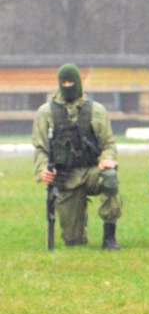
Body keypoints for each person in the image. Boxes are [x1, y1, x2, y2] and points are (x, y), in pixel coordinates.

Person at [31, 63, 121, 249]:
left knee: (110, 178)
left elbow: (108, 144)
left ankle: (109, 236)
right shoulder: (46, 113)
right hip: (66, 177)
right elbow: (41, 148)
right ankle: (78, 221)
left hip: (91, 171)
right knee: (74, 242)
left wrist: (107, 159)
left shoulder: (96, 111)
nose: (68, 85)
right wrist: (42, 170)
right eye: (64, 82)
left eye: (72, 81)